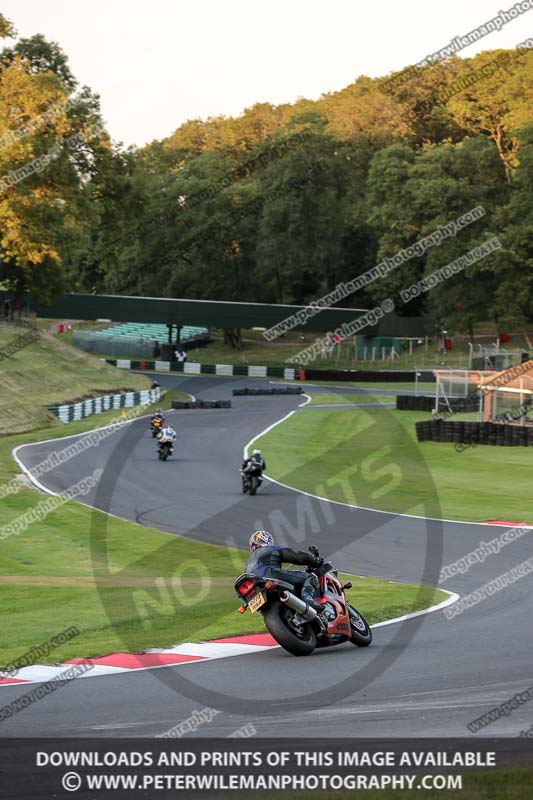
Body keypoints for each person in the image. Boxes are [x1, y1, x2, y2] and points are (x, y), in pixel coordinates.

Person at [245, 530, 326, 615]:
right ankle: (308, 600)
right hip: (270, 575)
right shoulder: (271, 549)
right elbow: (297, 557)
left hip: (255, 585)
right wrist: (315, 561)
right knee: (310, 578)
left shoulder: (248, 562)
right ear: (267, 540)